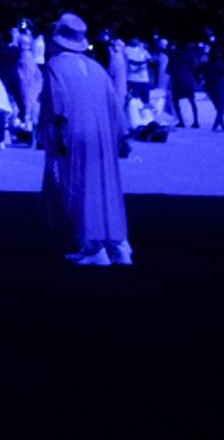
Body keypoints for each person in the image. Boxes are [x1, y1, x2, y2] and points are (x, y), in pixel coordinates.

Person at [38, 13, 132, 266]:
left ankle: (93, 247)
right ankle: (119, 245)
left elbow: (56, 103)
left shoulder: (56, 65)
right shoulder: (97, 68)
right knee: (106, 187)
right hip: (103, 136)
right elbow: (115, 104)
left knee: (80, 187)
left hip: (74, 134)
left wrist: (53, 135)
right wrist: (122, 135)